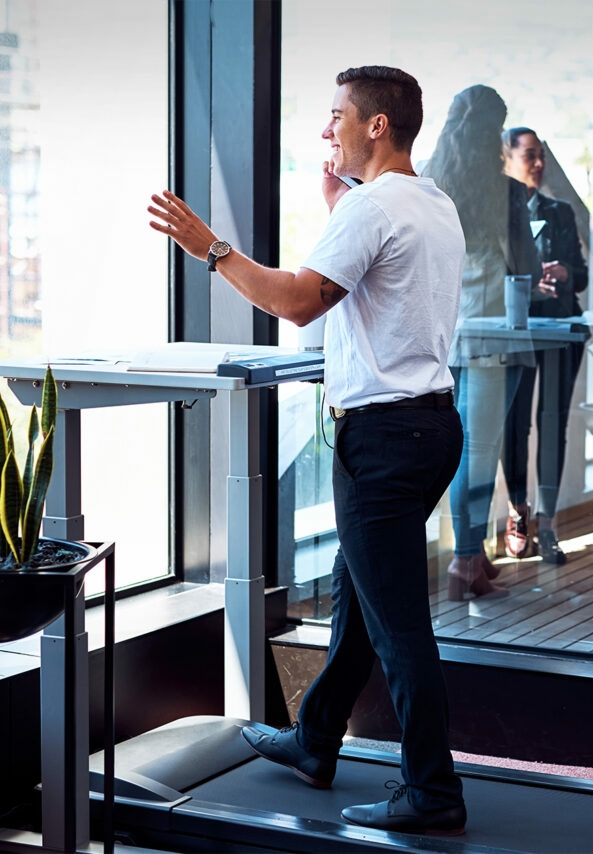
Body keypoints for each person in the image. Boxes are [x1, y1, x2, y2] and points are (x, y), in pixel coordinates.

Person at [149, 65, 467, 836]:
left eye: (337, 116)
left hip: (386, 440)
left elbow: (294, 303)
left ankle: (432, 791)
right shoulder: (429, 203)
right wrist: (338, 209)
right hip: (429, 428)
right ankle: (316, 739)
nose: (328, 129)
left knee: (396, 627)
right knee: (360, 600)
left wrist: (210, 246)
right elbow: (380, 291)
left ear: (377, 125)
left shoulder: (374, 210)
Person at [422, 87, 542, 600]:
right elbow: (529, 268)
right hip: (497, 332)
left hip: (446, 334)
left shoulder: (427, 182)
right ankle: (465, 562)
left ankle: (471, 552)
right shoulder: (506, 191)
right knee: (482, 449)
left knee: (462, 448)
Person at [501, 127, 588, 564]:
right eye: (529, 156)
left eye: (541, 157)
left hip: (561, 334)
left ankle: (549, 526)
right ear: (506, 159)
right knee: (514, 427)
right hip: (516, 334)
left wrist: (565, 272)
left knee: (553, 427)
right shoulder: (496, 212)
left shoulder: (560, 211)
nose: (538, 164)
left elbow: (583, 275)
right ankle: (520, 514)